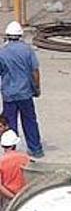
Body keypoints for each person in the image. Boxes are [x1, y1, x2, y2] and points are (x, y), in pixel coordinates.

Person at [0, 22, 43, 157]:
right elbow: (35, 71)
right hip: (25, 93)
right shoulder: (28, 50)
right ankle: (35, 149)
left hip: (9, 94)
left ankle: (10, 151)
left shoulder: (3, 52)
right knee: (30, 121)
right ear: (20, 35)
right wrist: (36, 88)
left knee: (10, 123)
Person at [0, 130, 29, 205]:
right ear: (14, 145)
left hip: (8, 197)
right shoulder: (25, 158)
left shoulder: (1, 162)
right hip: (24, 195)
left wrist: (13, 198)